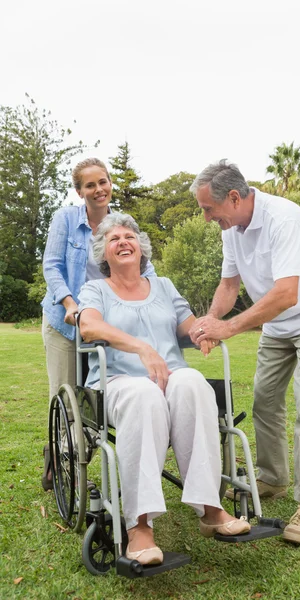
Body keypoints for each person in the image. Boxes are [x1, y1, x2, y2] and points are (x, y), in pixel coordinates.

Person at [78, 212, 251, 565]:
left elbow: (188, 327)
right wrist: (141, 348)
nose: (123, 241)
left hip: (170, 377)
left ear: (141, 248)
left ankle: (210, 508)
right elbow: (89, 328)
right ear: (104, 253)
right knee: (144, 396)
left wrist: (205, 331)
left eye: (129, 236)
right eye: (114, 239)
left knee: (193, 383)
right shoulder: (95, 289)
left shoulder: (165, 286)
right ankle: (139, 525)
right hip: (119, 381)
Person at [188, 159, 300, 545]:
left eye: (209, 209)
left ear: (235, 197)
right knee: (264, 399)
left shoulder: (284, 218)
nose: (207, 218)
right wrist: (210, 321)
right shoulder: (233, 229)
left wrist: (231, 327)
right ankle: (273, 477)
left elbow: (286, 293)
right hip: (278, 325)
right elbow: (228, 286)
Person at [41, 158, 155, 490]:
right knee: (67, 396)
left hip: (105, 321)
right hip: (66, 321)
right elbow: (52, 266)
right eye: (90, 185)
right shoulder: (65, 219)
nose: (98, 189)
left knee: (96, 395)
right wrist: (69, 302)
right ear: (80, 191)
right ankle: (62, 466)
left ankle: (73, 456)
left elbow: (143, 264)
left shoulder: (122, 222)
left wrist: (156, 295)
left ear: (110, 184)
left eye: (103, 182)